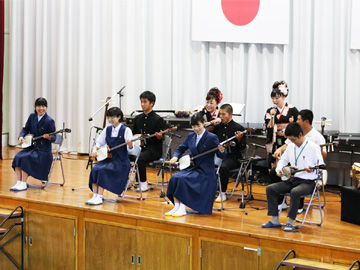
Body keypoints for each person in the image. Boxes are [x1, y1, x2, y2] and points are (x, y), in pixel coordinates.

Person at [262, 122, 325, 232]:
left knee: (295, 191)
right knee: (270, 188)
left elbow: (321, 167)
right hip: (292, 180)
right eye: (290, 140)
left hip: (307, 182)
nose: (291, 142)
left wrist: (313, 168)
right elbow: (282, 161)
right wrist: (279, 170)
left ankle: (290, 222)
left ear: (300, 135)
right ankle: (275, 219)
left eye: (293, 139)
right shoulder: (291, 146)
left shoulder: (313, 147)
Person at [166, 113, 226, 217]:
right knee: (175, 177)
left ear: (203, 123)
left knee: (182, 179)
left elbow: (222, 155)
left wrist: (221, 151)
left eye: (198, 125)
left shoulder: (212, 137)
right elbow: (181, 148)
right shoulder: (191, 136)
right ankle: (176, 206)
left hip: (206, 172)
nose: (196, 129)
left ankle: (182, 208)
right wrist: (175, 156)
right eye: (193, 126)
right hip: (194, 168)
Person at [272, 109, 327, 213]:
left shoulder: (317, 137)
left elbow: (323, 157)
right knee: (274, 172)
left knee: (300, 178)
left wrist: (317, 152)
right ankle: (281, 202)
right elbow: (287, 145)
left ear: (306, 121)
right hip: (294, 168)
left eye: (298, 119)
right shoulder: (295, 131)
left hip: (307, 172)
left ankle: (298, 205)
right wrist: (279, 149)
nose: (296, 121)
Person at [87, 107, 134, 205]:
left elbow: (131, 150)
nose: (110, 119)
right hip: (109, 159)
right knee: (95, 169)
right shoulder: (107, 129)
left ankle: (100, 196)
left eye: (113, 117)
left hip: (121, 162)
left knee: (102, 170)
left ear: (119, 117)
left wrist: (130, 144)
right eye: (109, 117)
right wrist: (95, 150)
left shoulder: (126, 130)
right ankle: (95, 195)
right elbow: (98, 143)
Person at [10, 97, 56, 191]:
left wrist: (49, 137)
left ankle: (23, 183)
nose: (41, 108)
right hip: (32, 147)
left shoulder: (49, 121)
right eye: (39, 106)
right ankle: (19, 182)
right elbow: (25, 129)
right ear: (35, 107)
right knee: (18, 156)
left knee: (25, 158)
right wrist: (21, 136)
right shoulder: (32, 117)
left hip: (43, 151)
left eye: (43, 106)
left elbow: (54, 137)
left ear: (46, 108)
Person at [132, 91, 165, 192]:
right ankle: (125, 181)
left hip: (154, 150)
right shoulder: (137, 118)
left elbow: (162, 139)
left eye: (145, 102)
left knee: (140, 158)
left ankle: (143, 183)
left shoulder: (158, 119)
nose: (142, 104)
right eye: (141, 101)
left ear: (152, 103)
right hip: (141, 148)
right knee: (125, 154)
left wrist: (159, 137)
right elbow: (134, 135)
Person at [212, 104, 247, 202]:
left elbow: (243, 147)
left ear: (231, 114)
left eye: (224, 114)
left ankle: (222, 193)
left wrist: (239, 140)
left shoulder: (238, 127)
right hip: (219, 155)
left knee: (223, 167)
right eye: (220, 114)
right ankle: (208, 190)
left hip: (233, 157)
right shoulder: (217, 127)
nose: (221, 117)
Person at [264, 81, 298, 169]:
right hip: (275, 139)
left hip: (289, 139)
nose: (274, 101)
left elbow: (296, 125)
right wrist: (272, 116)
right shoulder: (270, 110)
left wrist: (285, 131)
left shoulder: (292, 109)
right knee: (275, 162)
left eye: (277, 98)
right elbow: (269, 126)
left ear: (283, 96)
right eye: (273, 98)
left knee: (289, 160)